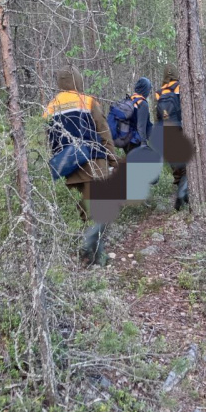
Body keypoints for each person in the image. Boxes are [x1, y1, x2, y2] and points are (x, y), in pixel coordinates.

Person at [44, 66, 118, 267]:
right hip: (93, 164)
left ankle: (96, 258)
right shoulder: (87, 101)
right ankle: (90, 248)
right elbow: (104, 133)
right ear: (77, 79)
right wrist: (113, 160)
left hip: (70, 169)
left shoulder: (51, 107)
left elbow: (50, 140)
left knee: (87, 213)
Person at [153, 63, 206, 210]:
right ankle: (182, 196)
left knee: (177, 169)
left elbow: (157, 118)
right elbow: (201, 105)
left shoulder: (158, 93)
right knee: (187, 166)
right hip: (181, 130)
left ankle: (183, 200)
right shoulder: (182, 87)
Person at [125, 77, 153, 154]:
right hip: (136, 141)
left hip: (127, 141)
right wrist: (143, 144)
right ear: (145, 89)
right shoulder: (142, 103)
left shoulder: (130, 100)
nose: (149, 92)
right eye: (148, 89)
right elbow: (141, 126)